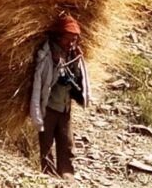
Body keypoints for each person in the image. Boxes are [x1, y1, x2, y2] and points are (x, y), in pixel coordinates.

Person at [30, 15, 91, 180]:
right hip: (49, 107)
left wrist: (77, 62)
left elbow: (78, 79)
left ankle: (66, 173)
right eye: (68, 39)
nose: (71, 43)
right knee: (47, 143)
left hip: (64, 107)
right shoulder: (47, 54)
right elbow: (40, 83)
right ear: (59, 36)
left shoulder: (73, 54)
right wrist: (58, 65)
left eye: (74, 40)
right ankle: (48, 176)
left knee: (67, 143)